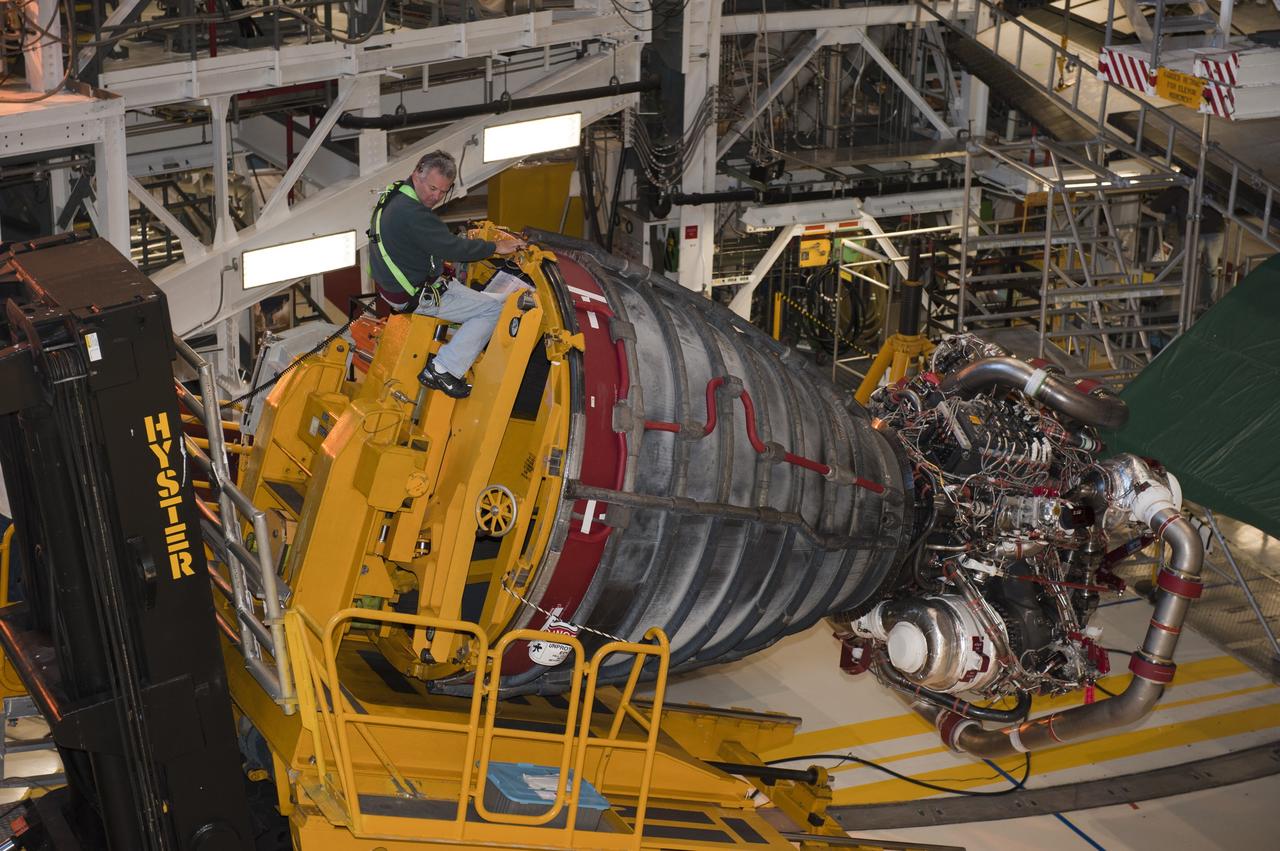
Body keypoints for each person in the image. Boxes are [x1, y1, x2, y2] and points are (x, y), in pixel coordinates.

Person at [368, 150, 526, 398]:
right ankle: (443, 369)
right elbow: (452, 247)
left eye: (443, 191)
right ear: (417, 173)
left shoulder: (396, 193)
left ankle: (457, 344)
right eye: (433, 188)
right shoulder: (412, 213)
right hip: (413, 294)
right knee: (494, 310)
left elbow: (427, 243)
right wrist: (495, 247)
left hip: (402, 285)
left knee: (492, 302)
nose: (436, 197)